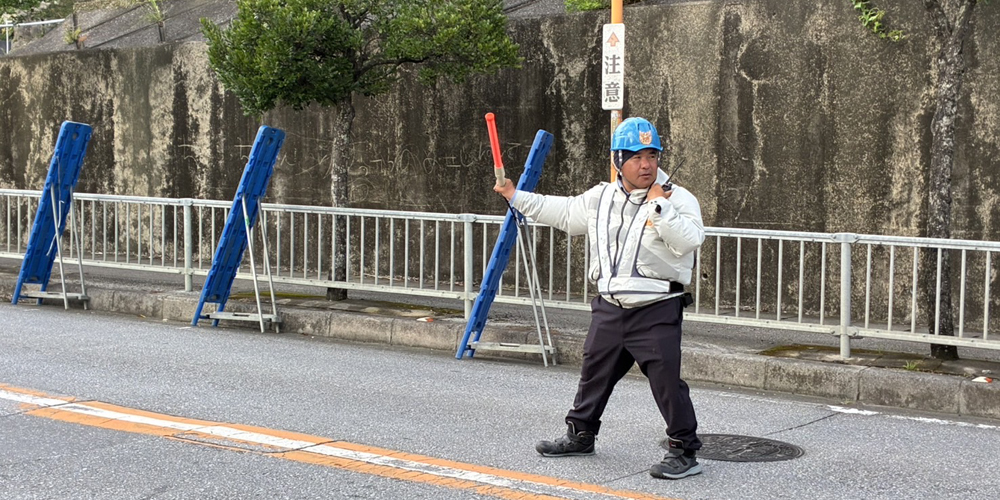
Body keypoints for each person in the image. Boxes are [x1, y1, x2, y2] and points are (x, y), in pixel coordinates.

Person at [493, 117, 705, 480]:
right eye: (637, 157)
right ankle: (581, 435)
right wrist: (514, 195)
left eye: (652, 155)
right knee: (594, 373)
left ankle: (684, 450)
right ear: (618, 160)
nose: (646, 164)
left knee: (666, 381)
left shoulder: (677, 198)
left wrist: (660, 207)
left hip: (656, 308)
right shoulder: (601, 196)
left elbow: (689, 241)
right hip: (609, 307)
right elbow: (561, 212)